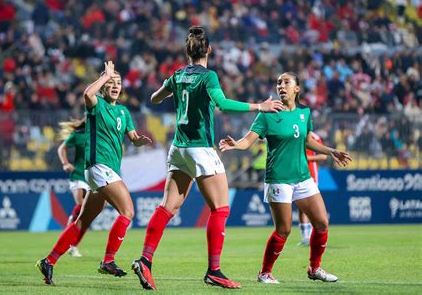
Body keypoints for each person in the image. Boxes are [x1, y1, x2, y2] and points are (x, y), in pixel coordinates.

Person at [131, 26, 284, 290]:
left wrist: (173, 90)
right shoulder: (209, 76)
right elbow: (222, 104)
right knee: (221, 208)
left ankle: (145, 260)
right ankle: (214, 270)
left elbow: (156, 99)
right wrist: (260, 106)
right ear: (209, 50)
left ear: (186, 51)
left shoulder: (178, 75)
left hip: (178, 147)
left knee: (167, 207)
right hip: (200, 148)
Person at [219, 72, 352, 284]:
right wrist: (236, 144)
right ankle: (264, 273)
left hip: (302, 176)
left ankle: (314, 268)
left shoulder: (304, 113)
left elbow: (308, 141)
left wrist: (330, 151)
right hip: (278, 178)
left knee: (321, 223)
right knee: (284, 229)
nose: (281, 86)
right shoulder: (266, 114)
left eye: (286, 82)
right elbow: (248, 141)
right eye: (278, 82)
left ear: (297, 88)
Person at [36, 61, 152, 285]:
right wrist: (104, 76)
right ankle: (108, 260)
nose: (115, 85)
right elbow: (87, 93)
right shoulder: (96, 104)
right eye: (111, 82)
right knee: (127, 212)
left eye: (118, 83)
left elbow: (133, 137)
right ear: (104, 86)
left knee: (82, 222)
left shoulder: (123, 111)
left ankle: (49, 261)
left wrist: (139, 142)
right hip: (99, 166)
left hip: (105, 170)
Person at [57, 117, 90, 257]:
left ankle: (73, 245)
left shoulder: (101, 135)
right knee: (81, 204)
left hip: (93, 176)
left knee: (87, 214)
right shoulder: (78, 135)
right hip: (78, 174)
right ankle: (69, 233)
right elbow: (61, 148)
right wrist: (65, 163)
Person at [298, 131, 327, 246]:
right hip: (296, 173)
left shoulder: (314, 137)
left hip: (310, 174)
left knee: (309, 205)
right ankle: (305, 236)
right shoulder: (295, 132)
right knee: (300, 207)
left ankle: (310, 235)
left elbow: (323, 155)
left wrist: (307, 157)